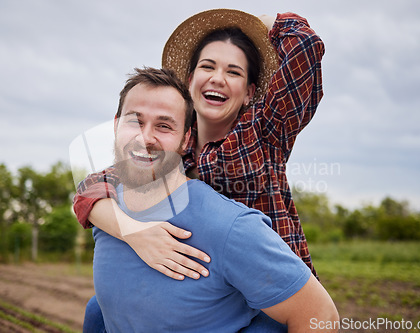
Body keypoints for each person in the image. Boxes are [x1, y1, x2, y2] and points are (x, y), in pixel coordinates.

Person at [74, 8, 325, 282]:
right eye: (207, 66)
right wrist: (133, 232)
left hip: (270, 288)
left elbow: (305, 45)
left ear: (249, 93)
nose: (218, 78)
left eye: (233, 72)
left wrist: (259, 23)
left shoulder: (265, 131)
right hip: (207, 286)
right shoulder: (171, 142)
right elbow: (91, 188)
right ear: (189, 81)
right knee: (97, 312)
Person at [89, 66, 338, 332]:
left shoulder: (231, 227)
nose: (145, 137)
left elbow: (321, 316)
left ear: (186, 139)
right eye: (134, 121)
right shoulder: (107, 205)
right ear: (116, 125)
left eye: (164, 126)